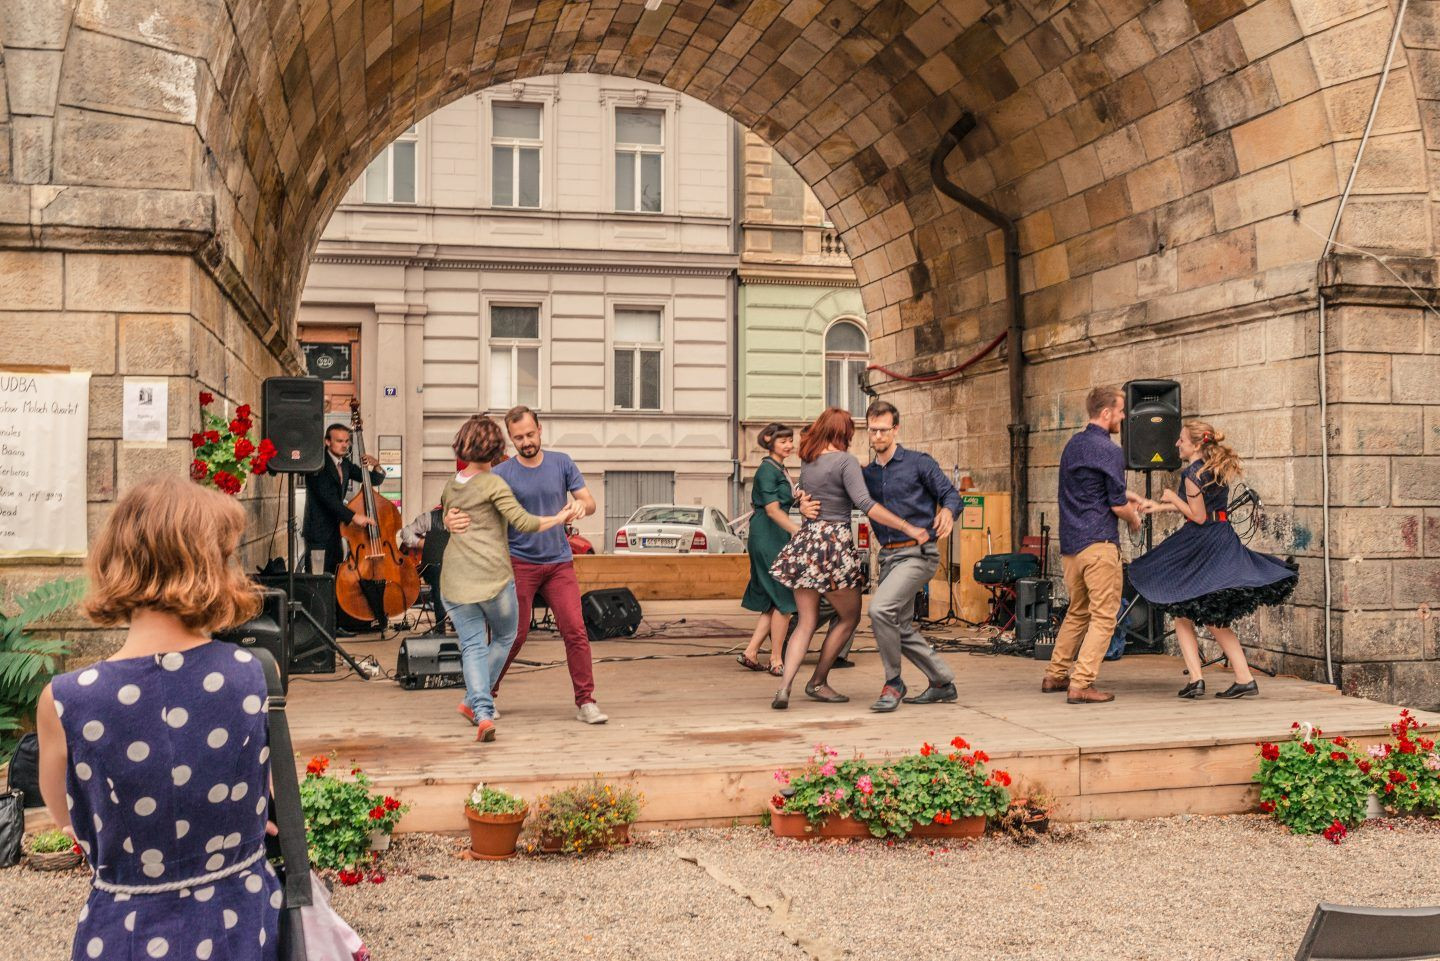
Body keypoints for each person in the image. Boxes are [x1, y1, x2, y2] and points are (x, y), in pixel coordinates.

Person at [36, 477, 281, 961]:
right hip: (243, 914)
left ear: (117, 560)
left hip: (128, 927)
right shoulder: (250, 674)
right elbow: (265, 791)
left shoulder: (66, 700)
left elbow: (67, 815)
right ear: (212, 566)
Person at [447, 406, 608, 725]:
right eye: (518, 437)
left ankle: (586, 701)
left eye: (530, 434)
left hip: (559, 564)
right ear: (510, 439)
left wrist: (580, 505)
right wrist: (451, 518)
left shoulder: (562, 462)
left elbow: (589, 502)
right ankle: (485, 696)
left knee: (575, 630)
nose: (526, 441)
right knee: (514, 635)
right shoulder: (501, 473)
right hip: (519, 565)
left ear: (540, 429)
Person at [769, 407, 931, 709]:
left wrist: (801, 504)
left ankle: (784, 688)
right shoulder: (845, 461)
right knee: (850, 616)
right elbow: (866, 503)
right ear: (843, 432)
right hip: (832, 545)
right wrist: (908, 526)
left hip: (807, 543)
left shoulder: (809, 461)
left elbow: (801, 495)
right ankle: (818, 681)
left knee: (806, 621)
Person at [1130, 421, 1297, 698]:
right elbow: (1202, 507)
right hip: (1219, 536)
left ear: (1196, 445)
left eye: (1181, 440)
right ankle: (1221, 679)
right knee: (1189, 610)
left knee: (1190, 607)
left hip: (1202, 542)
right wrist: (1160, 506)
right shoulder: (1211, 467)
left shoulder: (1191, 474)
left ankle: (1213, 679)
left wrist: (1170, 495)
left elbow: (1197, 516)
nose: (1176, 444)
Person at [1042, 386, 1144, 704]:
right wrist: (1134, 518)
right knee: (1104, 616)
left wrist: (1129, 497)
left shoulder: (1073, 445)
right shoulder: (1110, 450)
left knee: (1078, 611)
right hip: (1099, 543)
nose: (1124, 416)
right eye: (1121, 410)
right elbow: (1114, 504)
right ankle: (1081, 683)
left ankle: (1056, 674)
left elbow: (1090, 490)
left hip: (1072, 545)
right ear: (1106, 413)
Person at [860, 400, 963, 712]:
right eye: (872, 430)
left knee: (879, 610)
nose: (877, 436)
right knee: (898, 625)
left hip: (918, 554)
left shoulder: (919, 463)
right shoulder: (866, 474)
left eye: (883, 430)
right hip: (888, 559)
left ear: (895, 429)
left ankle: (894, 682)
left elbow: (951, 495)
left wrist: (947, 511)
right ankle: (942, 681)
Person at [737, 423, 800, 677]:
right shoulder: (766, 469)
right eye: (783, 441)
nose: (789, 445)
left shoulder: (778, 468)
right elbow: (773, 509)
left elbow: (783, 501)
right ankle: (776, 659)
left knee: (774, 599)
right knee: (784, 597)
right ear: (768, 441)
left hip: (773, 533)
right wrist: (798, 531)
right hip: (769, 533)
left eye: (790, 440)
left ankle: (751, 652)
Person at [301, 423, 385, 574]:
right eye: (339, 441)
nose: (344, 445)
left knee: (336, 575)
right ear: (327, 442)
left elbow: (371, 480)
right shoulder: (317, 464)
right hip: (318, 533)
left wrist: (377, 465)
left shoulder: (345, 464)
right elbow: (328, 498)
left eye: (347, 441)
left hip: (336, 532)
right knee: (317, 578)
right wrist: (354, 516)